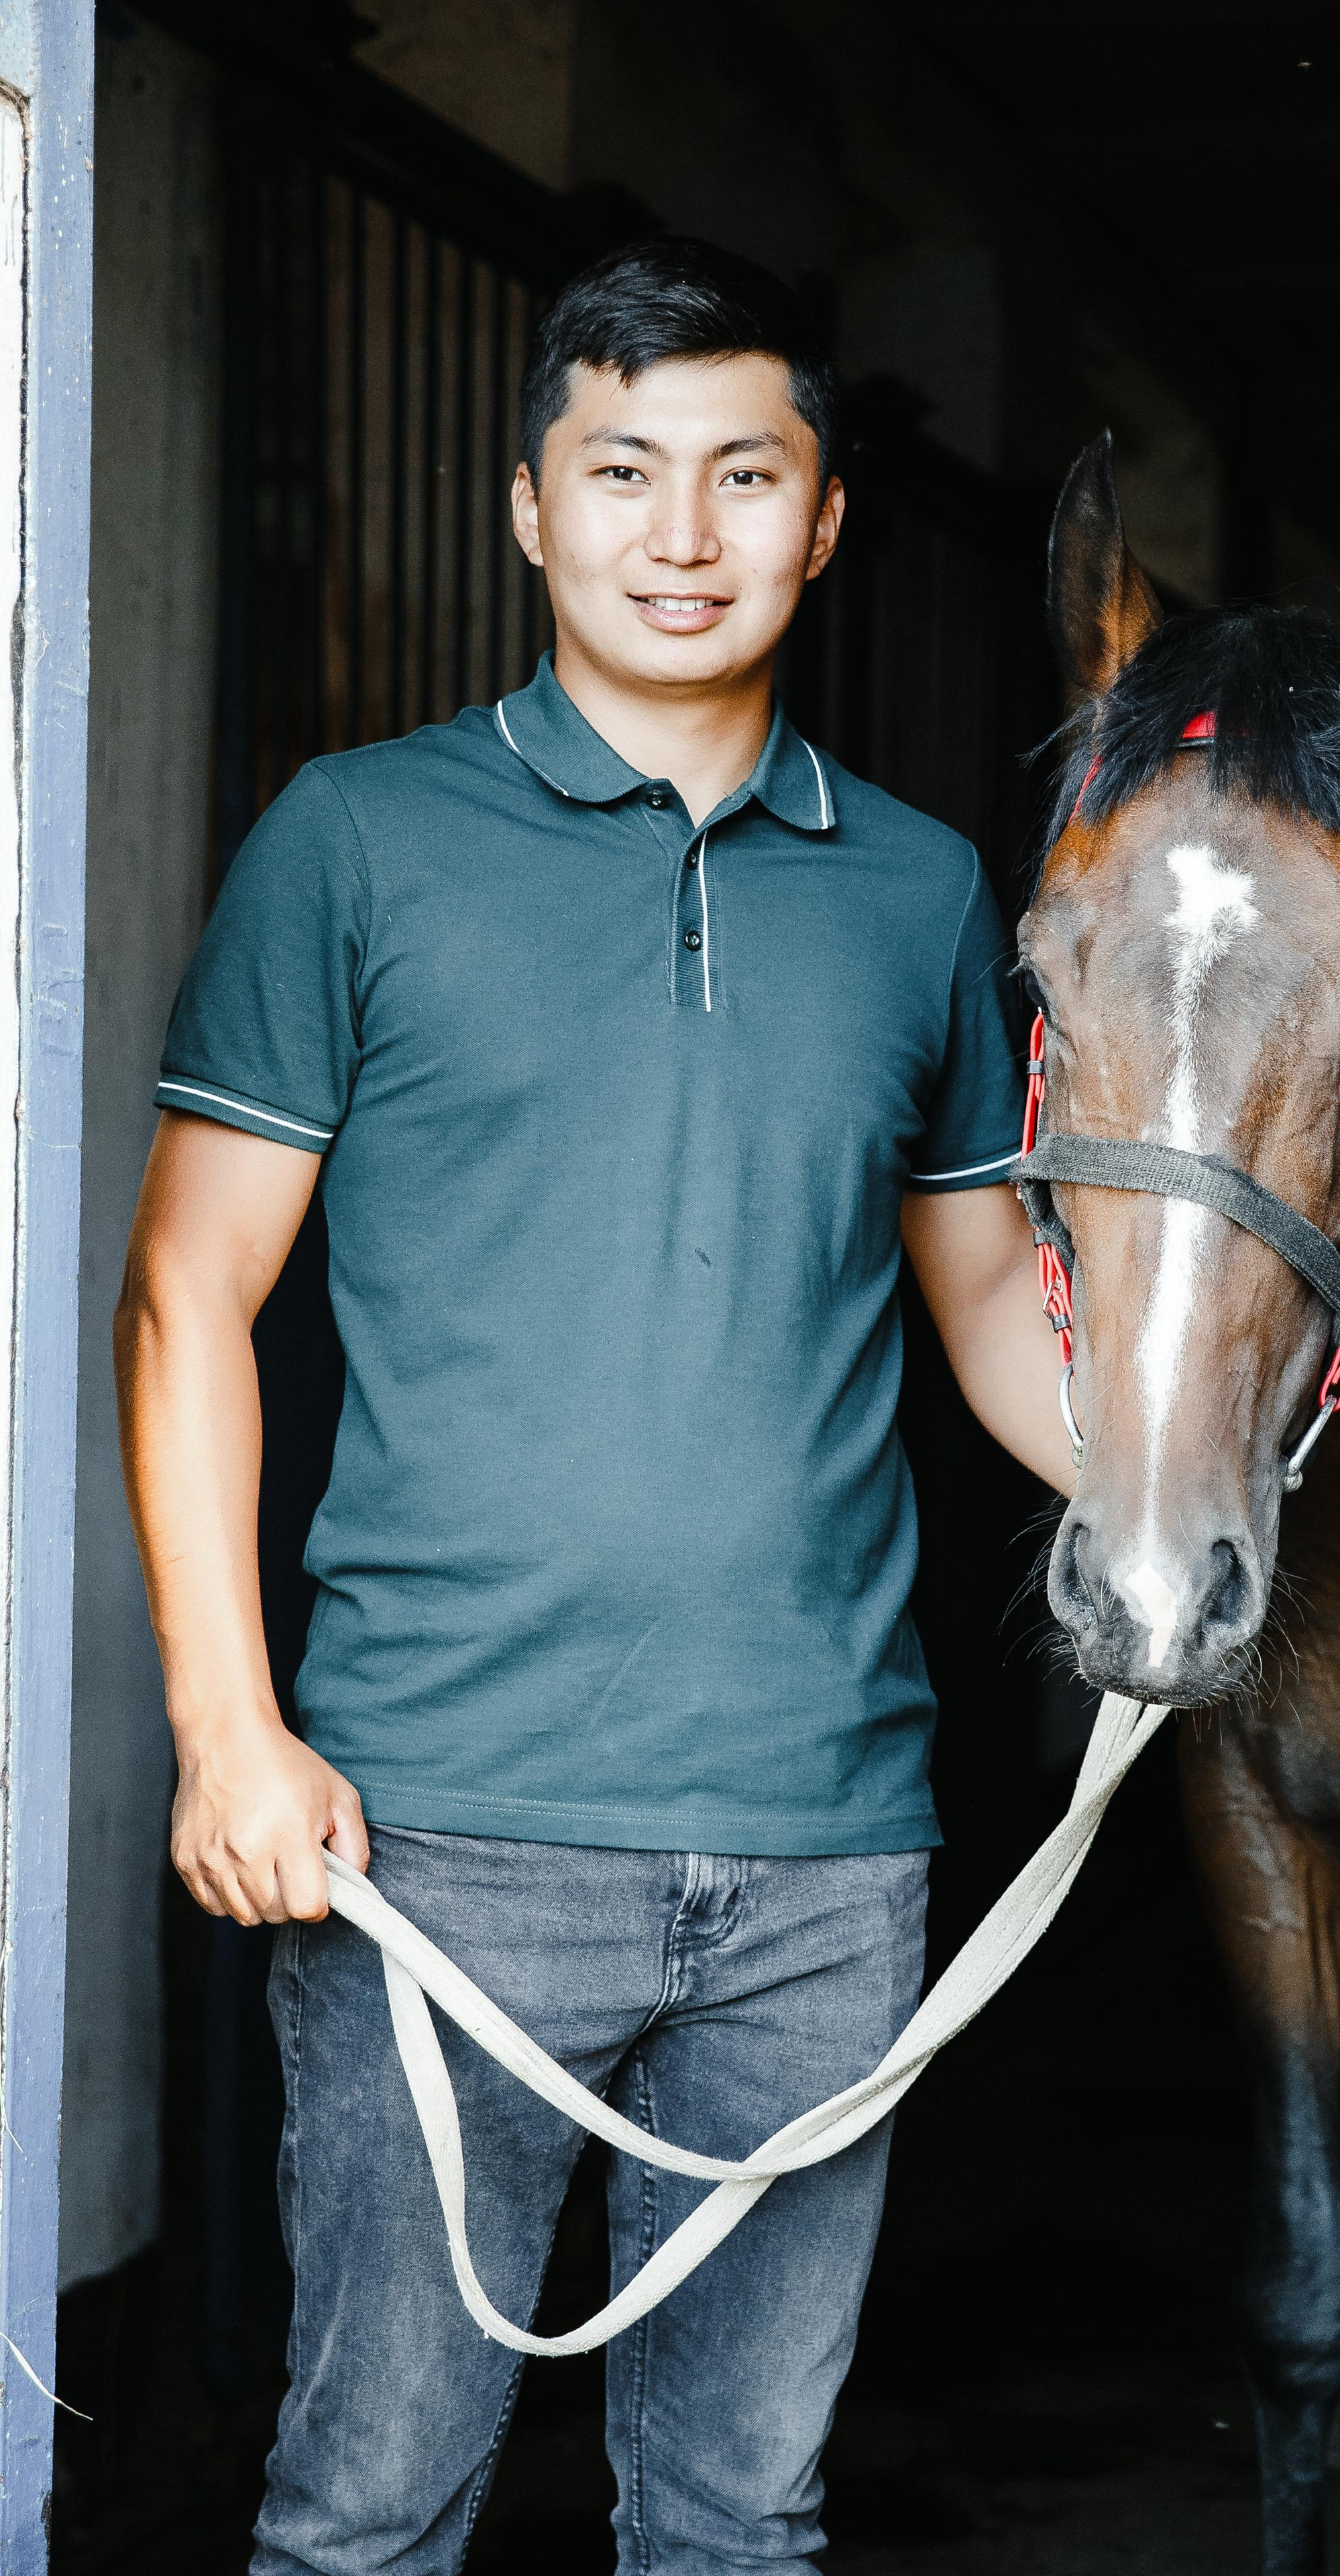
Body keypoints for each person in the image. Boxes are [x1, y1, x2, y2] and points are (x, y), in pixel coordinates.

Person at [116, 235, 1073, 2576]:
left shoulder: (923, 889)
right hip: (437, 1839)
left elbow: (983, 1295)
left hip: (827, 1849)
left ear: (823, 520)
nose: (682, 532)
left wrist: (1208, 1501)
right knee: (368, 2512)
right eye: (624, 470)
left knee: (746, 2522)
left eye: (744, 474)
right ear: (532, 509)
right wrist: (229, 1733)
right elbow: (186, 1295)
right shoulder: (357, 840)